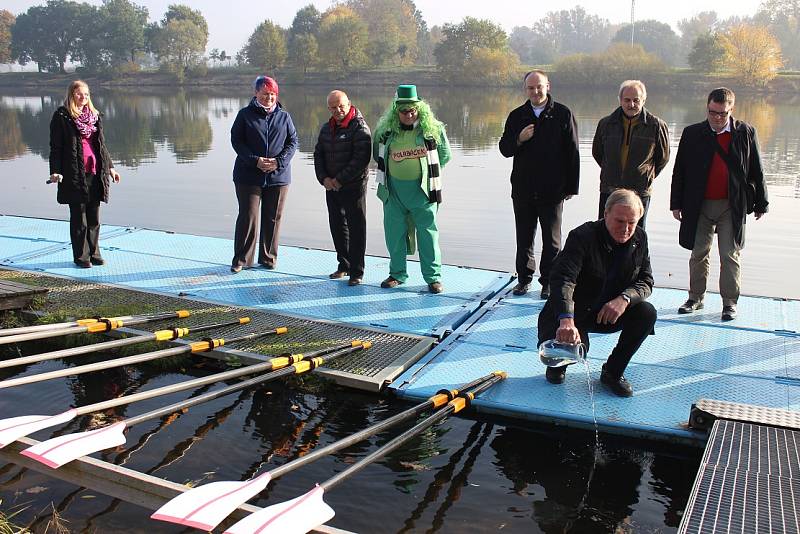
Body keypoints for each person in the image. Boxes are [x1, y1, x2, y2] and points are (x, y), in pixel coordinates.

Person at [537, 189, 657, 397]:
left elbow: (646, 281)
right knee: (574, 352)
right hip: (575, 311)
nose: (626, 229)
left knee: (647, 313)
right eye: (620, 221)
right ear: (606, 213)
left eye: (632, 222)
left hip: (608, 312)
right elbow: (563, 279)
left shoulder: (640, 238)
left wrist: (624, 299)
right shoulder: (582, 237)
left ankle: (612, 372)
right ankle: (558, 365)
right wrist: (566, 319)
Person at [670, 87, 768, 321]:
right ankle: (695, 298)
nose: (716, 117)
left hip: (731, 205)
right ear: (707, 107)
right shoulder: (692, 133)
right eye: (712, 112)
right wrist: (676, 203)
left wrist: (762, 203)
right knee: (698, 253)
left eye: (722, 113)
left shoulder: (745, 132)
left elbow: (757, 169)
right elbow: (679, 170)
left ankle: (729, 303)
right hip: (699, 204)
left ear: (731, 110)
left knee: (729, 254)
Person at [499, 70, 580, 299]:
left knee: (552, 240)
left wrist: (571, 187)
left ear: (548, 86)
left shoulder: (563, 114)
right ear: (525, 90)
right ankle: (523, 280)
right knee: (524, 237)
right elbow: (504, 149)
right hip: (523, 188)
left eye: (539, 87)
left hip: (552, 190)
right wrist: (519, 139)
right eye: (531, 88)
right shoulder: (517, 116)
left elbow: (573, 152)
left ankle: (549, 283)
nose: (535, 92)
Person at [373, 84, 451, 293]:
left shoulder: (432, 130)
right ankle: (397, 274)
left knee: (428, 234)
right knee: (394, 234)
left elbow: (445, 155)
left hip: (424, 192)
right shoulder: (385, 132)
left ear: (419, 109)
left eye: (412, 110)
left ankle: (433, 278)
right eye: (404, 111)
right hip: (393, 192)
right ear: (395, 111)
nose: (408, 114)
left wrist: (427, 172)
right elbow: (377, 156)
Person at [49, 80, 121, 268]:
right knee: (79, 216)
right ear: (72, 95)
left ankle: (95, 253)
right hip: (73, 174)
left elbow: (101, 146)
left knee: (94, 216)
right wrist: (55, 171)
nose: (83, 97)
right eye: (79, 94)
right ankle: (81, 257)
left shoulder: (95, 116)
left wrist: (111, 168)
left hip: (95, 172)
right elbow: (56, 148)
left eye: (87, 94)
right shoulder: (62, 117)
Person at [230, 75, 298, 273]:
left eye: (273, 94)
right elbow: (237, 141)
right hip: (248, 176)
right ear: (256, 93)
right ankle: (242, 259)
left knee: (273, 218)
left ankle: (268, 258)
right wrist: (255, 161)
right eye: (265, 94)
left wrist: (278, 162)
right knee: (248, 216)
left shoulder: (284, 116)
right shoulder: (244, 115)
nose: (269, 98)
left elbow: (292, 142)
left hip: (278, 177)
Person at [313, 90, 372, 286]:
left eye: (341, 106)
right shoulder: (325, 128)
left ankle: (357, 271)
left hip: (354, 186)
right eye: (333, 107)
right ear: (328, 108)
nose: (337, 110)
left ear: (349, 104)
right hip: (331, 187)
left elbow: (361, 160)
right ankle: (344, 265)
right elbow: (318, 155)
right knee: (337, 226)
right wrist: (324, 179)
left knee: (356, 228)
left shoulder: (360, 128)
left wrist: (339, 179)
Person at [592, 80, 669, 228]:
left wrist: (645, 175)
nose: (631, 104)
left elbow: (662, 158)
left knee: (637, 235)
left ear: (644, 100)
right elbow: (598, 153)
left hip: (639, 190)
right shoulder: (606, 124)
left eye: (636, 100)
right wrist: (612, 170)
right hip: (610, 188)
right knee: (604, 231)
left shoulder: (656, 126)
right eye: (627, 100)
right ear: (620, 100)